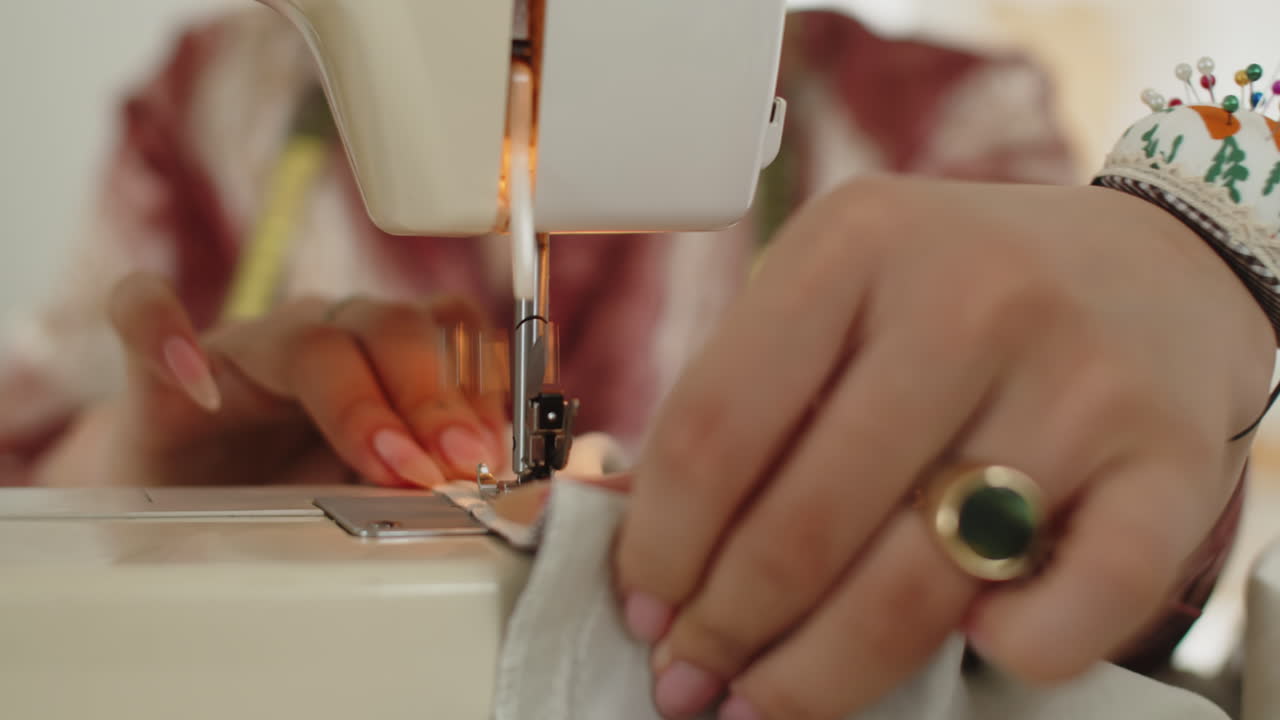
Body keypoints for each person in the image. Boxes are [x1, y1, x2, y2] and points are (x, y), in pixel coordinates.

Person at [0, 6, 1276, 720]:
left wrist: (1202, 263)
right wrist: (137, 486)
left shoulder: (945, 128)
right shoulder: (209, 108)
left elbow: (1092, 561)